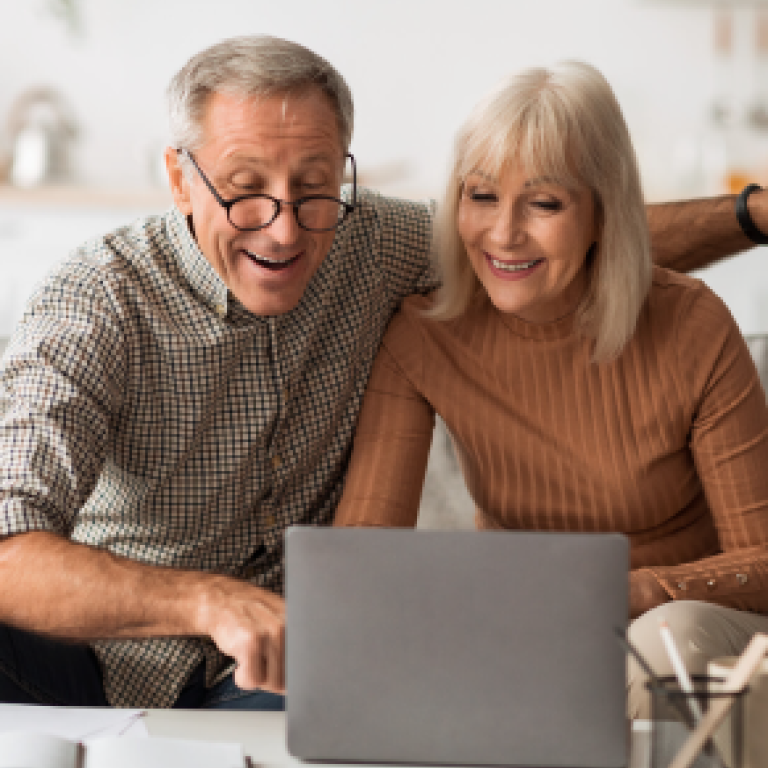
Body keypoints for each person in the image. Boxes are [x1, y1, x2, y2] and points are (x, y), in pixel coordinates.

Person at [0, 37, 763, 711]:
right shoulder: (98, 300)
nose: (284, 228)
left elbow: (555, 246)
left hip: (287, 667)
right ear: (179, 178)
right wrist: (208, 603)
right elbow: (8, 546)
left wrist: (750, 214)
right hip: (101, 655)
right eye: (245, 187)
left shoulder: (375, 243)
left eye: (314, 185)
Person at [333, 61, 768, 718]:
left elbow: (760, 562)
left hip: (696, 631)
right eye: (482, 196)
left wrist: (641, 591)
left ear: (602, 214)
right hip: (533, 630)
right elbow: (362, 557)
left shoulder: (691, 323)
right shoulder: (424, 335)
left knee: (662, 640)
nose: (504, 233)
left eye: (544, 203)